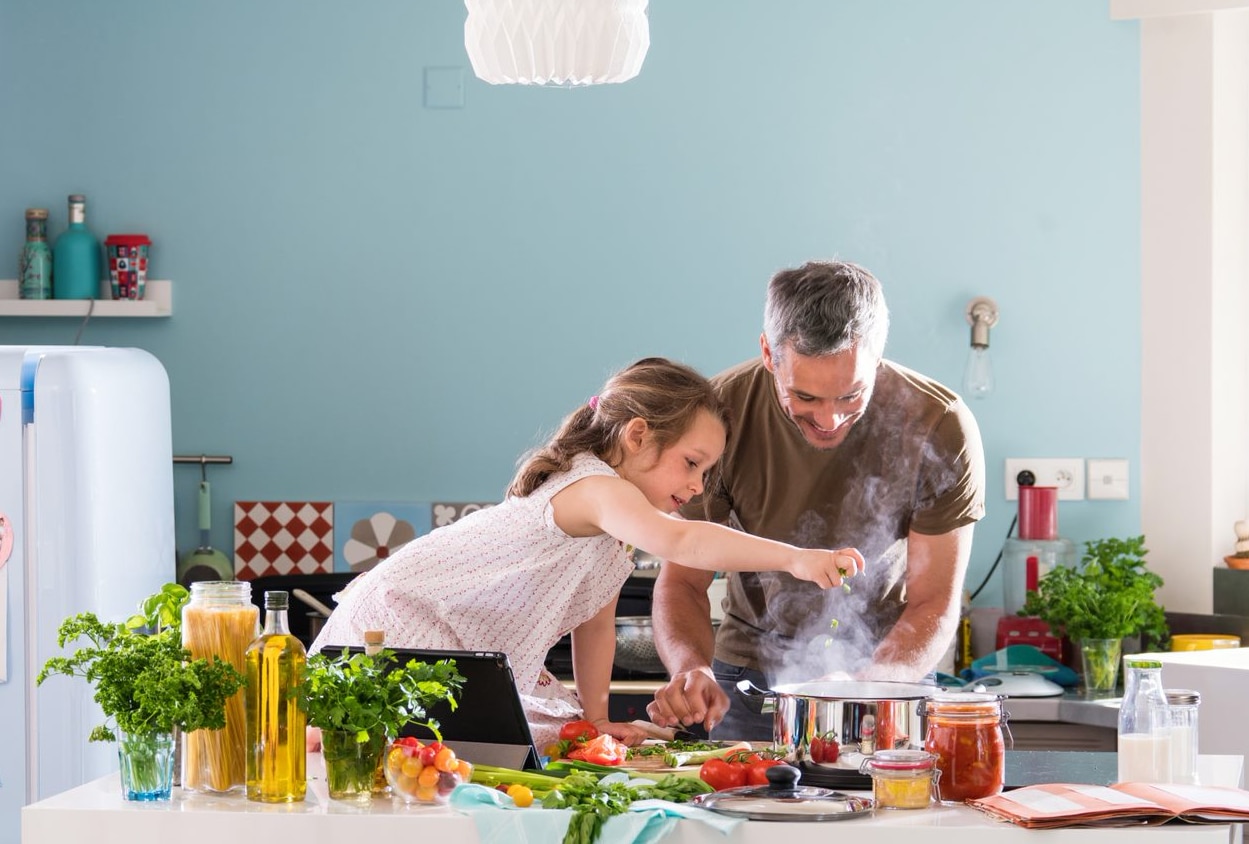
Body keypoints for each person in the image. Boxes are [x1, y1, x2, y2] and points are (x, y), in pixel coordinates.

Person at [309, 357, 865, 751]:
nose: (698, 486)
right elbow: (683, 541)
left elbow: (594, 627)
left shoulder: (613, 531)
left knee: (531, 740)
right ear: (638, 435)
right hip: (402, 620)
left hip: (450, 642)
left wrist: (597, 717)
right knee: (396, 755)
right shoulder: (597, 488)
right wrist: (797, 558)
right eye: (692, 463)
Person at [646, 261, 986, 740]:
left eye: (852, 396)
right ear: (768, 352)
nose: (829, 419)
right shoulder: (718, 415)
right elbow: (682, 579)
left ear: (878, 356)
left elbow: (934, 601)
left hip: (888, 674)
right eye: (804, 397)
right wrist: (689, 668)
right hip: (749, 679)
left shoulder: (940, 424)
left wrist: (866, 689)